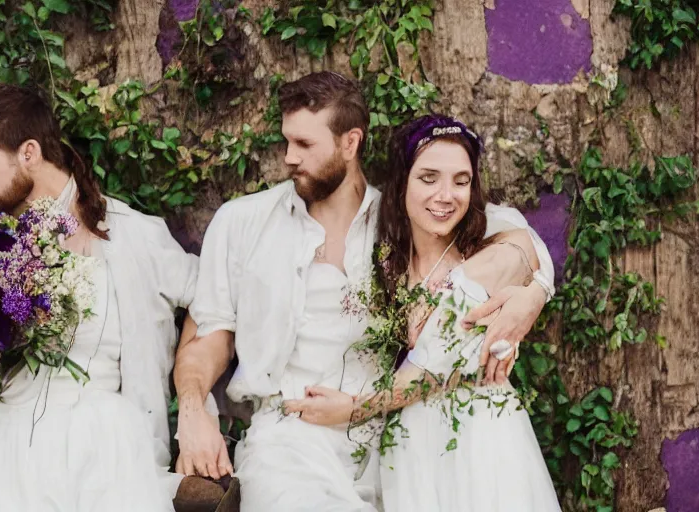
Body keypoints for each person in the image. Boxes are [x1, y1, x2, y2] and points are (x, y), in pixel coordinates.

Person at [173, 72, 556, 511]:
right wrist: (193, 408)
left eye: (304, 145)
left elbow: (514, 240)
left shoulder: (407, 218)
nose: (288, 158)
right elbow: (208, 337)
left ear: (350, 143)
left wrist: (535, 294)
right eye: (287, 142)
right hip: (289, 439)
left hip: (389, 442)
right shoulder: (241, 222)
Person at [282, 114, 562, 511]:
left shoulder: (490, 248)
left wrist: (535, 293)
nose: (446, 195)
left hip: (483, 440)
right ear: (402, 184)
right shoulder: (382, 258)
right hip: (410, 445)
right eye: (429, 178)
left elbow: (436, 364)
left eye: (460, 181)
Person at [0, 84, 201, 511]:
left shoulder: (132, 234)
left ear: (29, 152)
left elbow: (212, 303)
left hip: (110, 450)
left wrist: (193, 396)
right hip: (9, 453)